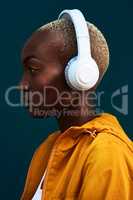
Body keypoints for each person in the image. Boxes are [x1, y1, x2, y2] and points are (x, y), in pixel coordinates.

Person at [19, 9, 133, 200]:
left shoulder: (107, 155)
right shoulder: (47, 149)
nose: (22, 85)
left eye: (34, 69)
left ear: (79, 76)